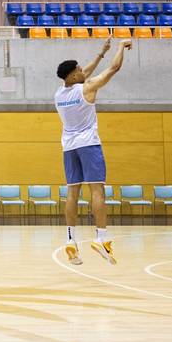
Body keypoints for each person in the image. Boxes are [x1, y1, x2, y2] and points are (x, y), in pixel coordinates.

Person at [56, 38, 132, 266]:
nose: (83, 70)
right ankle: (102, 237)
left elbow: (84, 73)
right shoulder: (86, 89)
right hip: (89, 144)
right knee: (97, 190)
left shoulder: (59, 93)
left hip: (69, 147)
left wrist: (101, 52)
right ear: (72, 76)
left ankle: (70, 240)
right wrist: (120, 47)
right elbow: (114, 68)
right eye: (78, 69)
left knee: (72, 192)